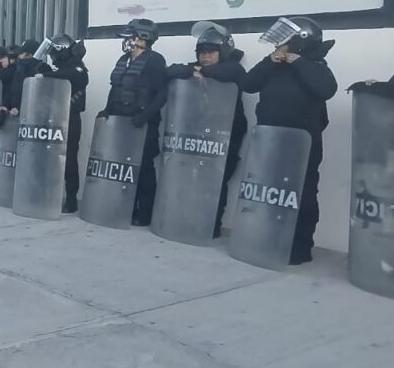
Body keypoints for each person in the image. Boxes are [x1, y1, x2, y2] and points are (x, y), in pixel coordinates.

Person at [242, 16, 337, 265]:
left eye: (285, 41)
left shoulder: (315, 65)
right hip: (270, 142)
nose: (279, 45)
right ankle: (268, 239)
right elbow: (248, 84)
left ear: (299, 42)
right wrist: (268, 62)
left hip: (302, 144)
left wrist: (299, 62)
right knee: (268, 194)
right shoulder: (273, 66)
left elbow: (327, 88)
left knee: (302, 196)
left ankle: (299, 248)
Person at [166, 21, 248, 236]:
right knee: (190, 178)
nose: (205, 57)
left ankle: (212, 226)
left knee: (217, 180)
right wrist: (193, 70)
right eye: (202, 53)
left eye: (211, 52)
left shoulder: (233, 69)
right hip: (198, 133)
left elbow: (232, 72)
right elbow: (170, 71)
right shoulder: (196, 67)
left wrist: (200, 71)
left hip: (225, 134)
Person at [98, 18, 168, 227]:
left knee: (144, 167)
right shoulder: (124, 59)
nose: (127, 41)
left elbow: (162, 93)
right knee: (123, 167)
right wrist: (107, 110)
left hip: (143, 123)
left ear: (143, 39)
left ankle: (144, 213)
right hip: (121, 121)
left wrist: (145, 116)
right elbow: (116, 87)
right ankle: (124, 208)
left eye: (131, 37)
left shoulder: (154, 60)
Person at [37, 35, 90, 214]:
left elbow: (72, 76)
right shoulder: (63, 68)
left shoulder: (78, 69)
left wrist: (46, 74)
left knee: (68, 160)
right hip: (53, 117)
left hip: (71, 118)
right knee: (48, 157)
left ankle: (72, 198)